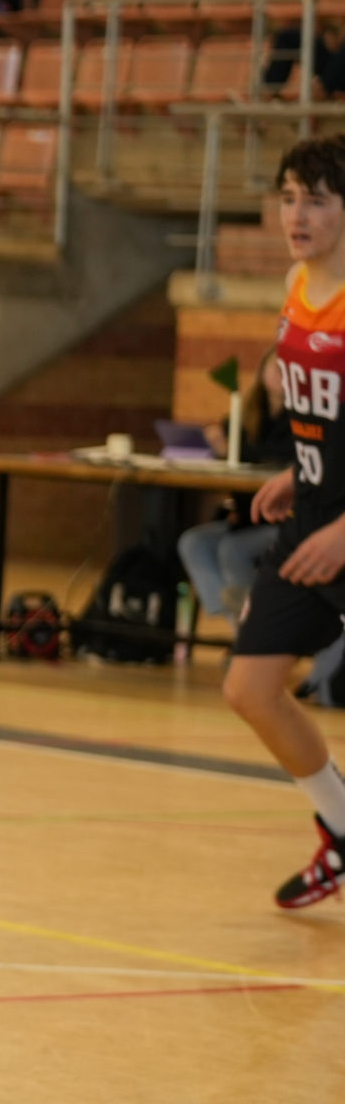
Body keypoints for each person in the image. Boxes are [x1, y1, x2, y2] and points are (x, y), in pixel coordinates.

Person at [222, 134, 345, 909]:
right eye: (288, 197)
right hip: (315, 517)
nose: (296, 215)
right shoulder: (298, 284)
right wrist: (302, 472)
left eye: (317, 200)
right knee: (250, 687)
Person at [180, 349, 288, 621]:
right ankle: (237, 624)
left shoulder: (303, 419)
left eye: (286, 368)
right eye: (274, 367)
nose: (279, 374)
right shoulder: (248, 413)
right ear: (262, 371)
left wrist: (232, 449)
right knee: (194, 542)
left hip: (283, 520)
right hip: (245, 517)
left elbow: (281, 457)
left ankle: (252, 625)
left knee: (232, 549)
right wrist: (211, 442)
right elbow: (228, 443)